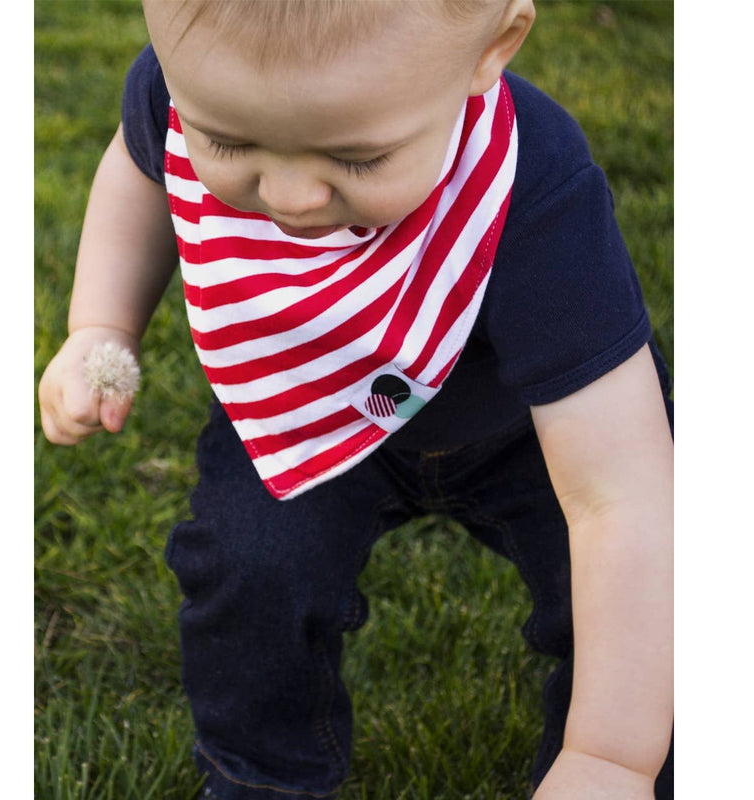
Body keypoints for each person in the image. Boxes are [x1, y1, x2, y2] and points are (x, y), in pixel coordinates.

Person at [38, 1, 674, 798]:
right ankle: (262, 775)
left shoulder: (533, 185)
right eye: (229, 143)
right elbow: (141, 162)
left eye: (358, 158)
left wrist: (613, 756)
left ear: (493, 49)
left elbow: (621, 498)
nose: (292, 195)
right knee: (248, 573)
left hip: (527, 428)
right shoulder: (186, 88)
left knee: (646, 594)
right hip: (299, 394)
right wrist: (102, 321)